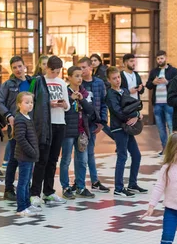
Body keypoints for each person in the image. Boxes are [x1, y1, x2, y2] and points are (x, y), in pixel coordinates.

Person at [29, 56, 69, 207]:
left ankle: (49, 192)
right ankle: (34, 193)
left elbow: (68, 107)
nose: (55, 74)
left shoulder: (62, 83)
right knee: (41, 160)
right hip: (45, 125)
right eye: (53, 71)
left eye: (58, 72)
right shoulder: (39, 81)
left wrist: (64, 104)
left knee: (53, 160)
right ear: (47, 68)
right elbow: (32, 101)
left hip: (60, 123)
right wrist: (47, 104)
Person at [0, 56, 33, 201]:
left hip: (30, 125)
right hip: (15, 125)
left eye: (20, 66)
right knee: (14, 158)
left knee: (30, 156)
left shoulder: (32, 82)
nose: (18, 69)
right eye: (15, 67)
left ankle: (25, 187)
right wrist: (8, 116)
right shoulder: (8, 84)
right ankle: (9, 189)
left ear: (25, 66)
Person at [105, 66, 145, 197]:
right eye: (114, 78)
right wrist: (132, 116)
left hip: (127, 128)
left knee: (136, 155)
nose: (117, 80)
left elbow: (132, 106)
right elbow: (118, 112)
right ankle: (118, 188)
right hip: (118, 128)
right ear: (109, 80)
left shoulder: (124, 91)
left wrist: (137, 114)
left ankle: (132, 184)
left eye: (118, 77)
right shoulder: (110, 94)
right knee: (122, 156)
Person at [60, 66, 97, 199]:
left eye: (81, 75)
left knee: (82, 160)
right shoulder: (64, 91)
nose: (80, 78)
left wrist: (81, 99)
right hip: (68, 131)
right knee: (66, 159)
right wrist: (71, 99)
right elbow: (63, 109)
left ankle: (80, 187)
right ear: (69, 77)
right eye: (76, 76)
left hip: (82, 131)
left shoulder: (85, 92)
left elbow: (90, 110)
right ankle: (65, 187)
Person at [78, 57, 111, 192]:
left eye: (84, 67)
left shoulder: (99, 83)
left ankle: (94, 180)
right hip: (80, 123)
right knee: (82, 153)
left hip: (93, 123)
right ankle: (79, 182)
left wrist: (102, 122)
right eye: (79, 68)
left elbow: (104, 103)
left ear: (91, 68)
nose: (82, 70)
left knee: (90, 153)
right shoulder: (78, 84)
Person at [146, 50, 177, 155]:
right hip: (157, 104)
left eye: (162, 58)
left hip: (169, 103)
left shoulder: (173, 71)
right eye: (158, 59)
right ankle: (165, 148)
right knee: (160, 128)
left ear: (166, 58)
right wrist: (153, 82)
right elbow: (148, 85)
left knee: (171, 127)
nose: (160, 60)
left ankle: (173, 149)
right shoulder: (154, 71)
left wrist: (167, 82)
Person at [14, 92, 40, 216]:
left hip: (30, 156)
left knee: (27, 182)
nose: (30, 105)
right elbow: (20, 138)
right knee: (23, 182)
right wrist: (32, 151)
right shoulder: (19, 118)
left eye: (31, 102)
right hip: (25, 156)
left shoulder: (28, 117)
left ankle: (27, 204)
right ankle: (21, 208)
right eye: (26, 102)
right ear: (19, 104)